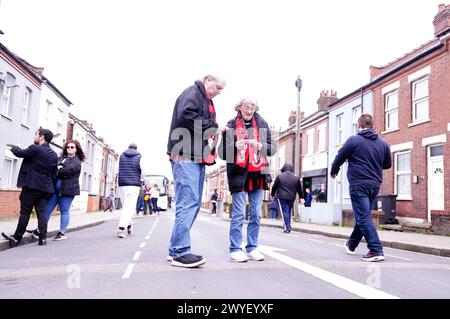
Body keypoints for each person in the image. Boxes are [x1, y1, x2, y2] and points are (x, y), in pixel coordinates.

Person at [167, 74, 226, 268]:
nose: (219, 91)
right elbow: (186, 115)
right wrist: (212, 127)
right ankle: (179, 252)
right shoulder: (192, 93)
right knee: (188, 202)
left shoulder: (202, 98)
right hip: (185, 155)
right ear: (206, 80)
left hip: (194, 155)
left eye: (221, 89)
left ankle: (175, 249)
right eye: (217, 87)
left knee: (192, 202)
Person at [218, 97, 275, 262]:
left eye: (252, 107)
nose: (249, 110)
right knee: (238, 214)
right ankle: (235, 249)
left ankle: (252, 247)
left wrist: (262, 147)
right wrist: (233, 147)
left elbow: (272, 148)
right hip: (238, 174)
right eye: (246, 107)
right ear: (239, 107)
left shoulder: (262, 123)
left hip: (258, 174)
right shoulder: (230, 125)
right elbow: (222, 153)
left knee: (256, 214)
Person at [330, 114, 391, 262]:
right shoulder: (383, 144)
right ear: (372, 125)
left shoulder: (354, 140)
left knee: (363, 217)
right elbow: (387, 165)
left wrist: (334, 171)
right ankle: (351, 244)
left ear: (359, 126)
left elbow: (340, 157)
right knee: (363, 215)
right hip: (374, 185)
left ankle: (376, 250)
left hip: (359, 185)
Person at [1, 128, 58, 247]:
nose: (34, 136)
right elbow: (54, 173)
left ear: (41, 137)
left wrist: (14, 146)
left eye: (36, 134)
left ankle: (17, 238)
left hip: (32, 186)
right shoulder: (54, 155)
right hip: (46, 188)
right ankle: (43, 239)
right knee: (41, 213)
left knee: (25, 212)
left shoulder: (35, 148)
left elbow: (19, 153)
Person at [28, 140, 85, 241]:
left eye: (72, 147)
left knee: (64, 210)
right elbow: (53, 167)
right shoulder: (61, 158)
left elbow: (68, 170)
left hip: (67, 191)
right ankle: (39, 230)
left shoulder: (76, 161)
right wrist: (58, 169)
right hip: (54, 190)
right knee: (47, 209)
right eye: (68, 147)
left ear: (76, 149)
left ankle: (62, 233)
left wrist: (58, 170)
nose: (69, 149)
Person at [117, 143, 142, 238]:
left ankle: (129, 224)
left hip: (122, 184)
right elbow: (143, 172)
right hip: (134, 185)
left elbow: (117, 170)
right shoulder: (140, 157)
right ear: (136, 148)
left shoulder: (121, 156)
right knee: (129, 207)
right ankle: (121, 229)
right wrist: (141, 181)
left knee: (126, 207)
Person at [270, 163, 303, 233]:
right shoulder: (296, 177)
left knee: (284, 211)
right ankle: (289, 225)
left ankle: (287, 227)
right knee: (289, 211)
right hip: (292, 197)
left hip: (282, 196)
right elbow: (299, 188)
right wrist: (301, 197)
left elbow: (274, 186)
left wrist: (272, 194)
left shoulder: (280, 176)